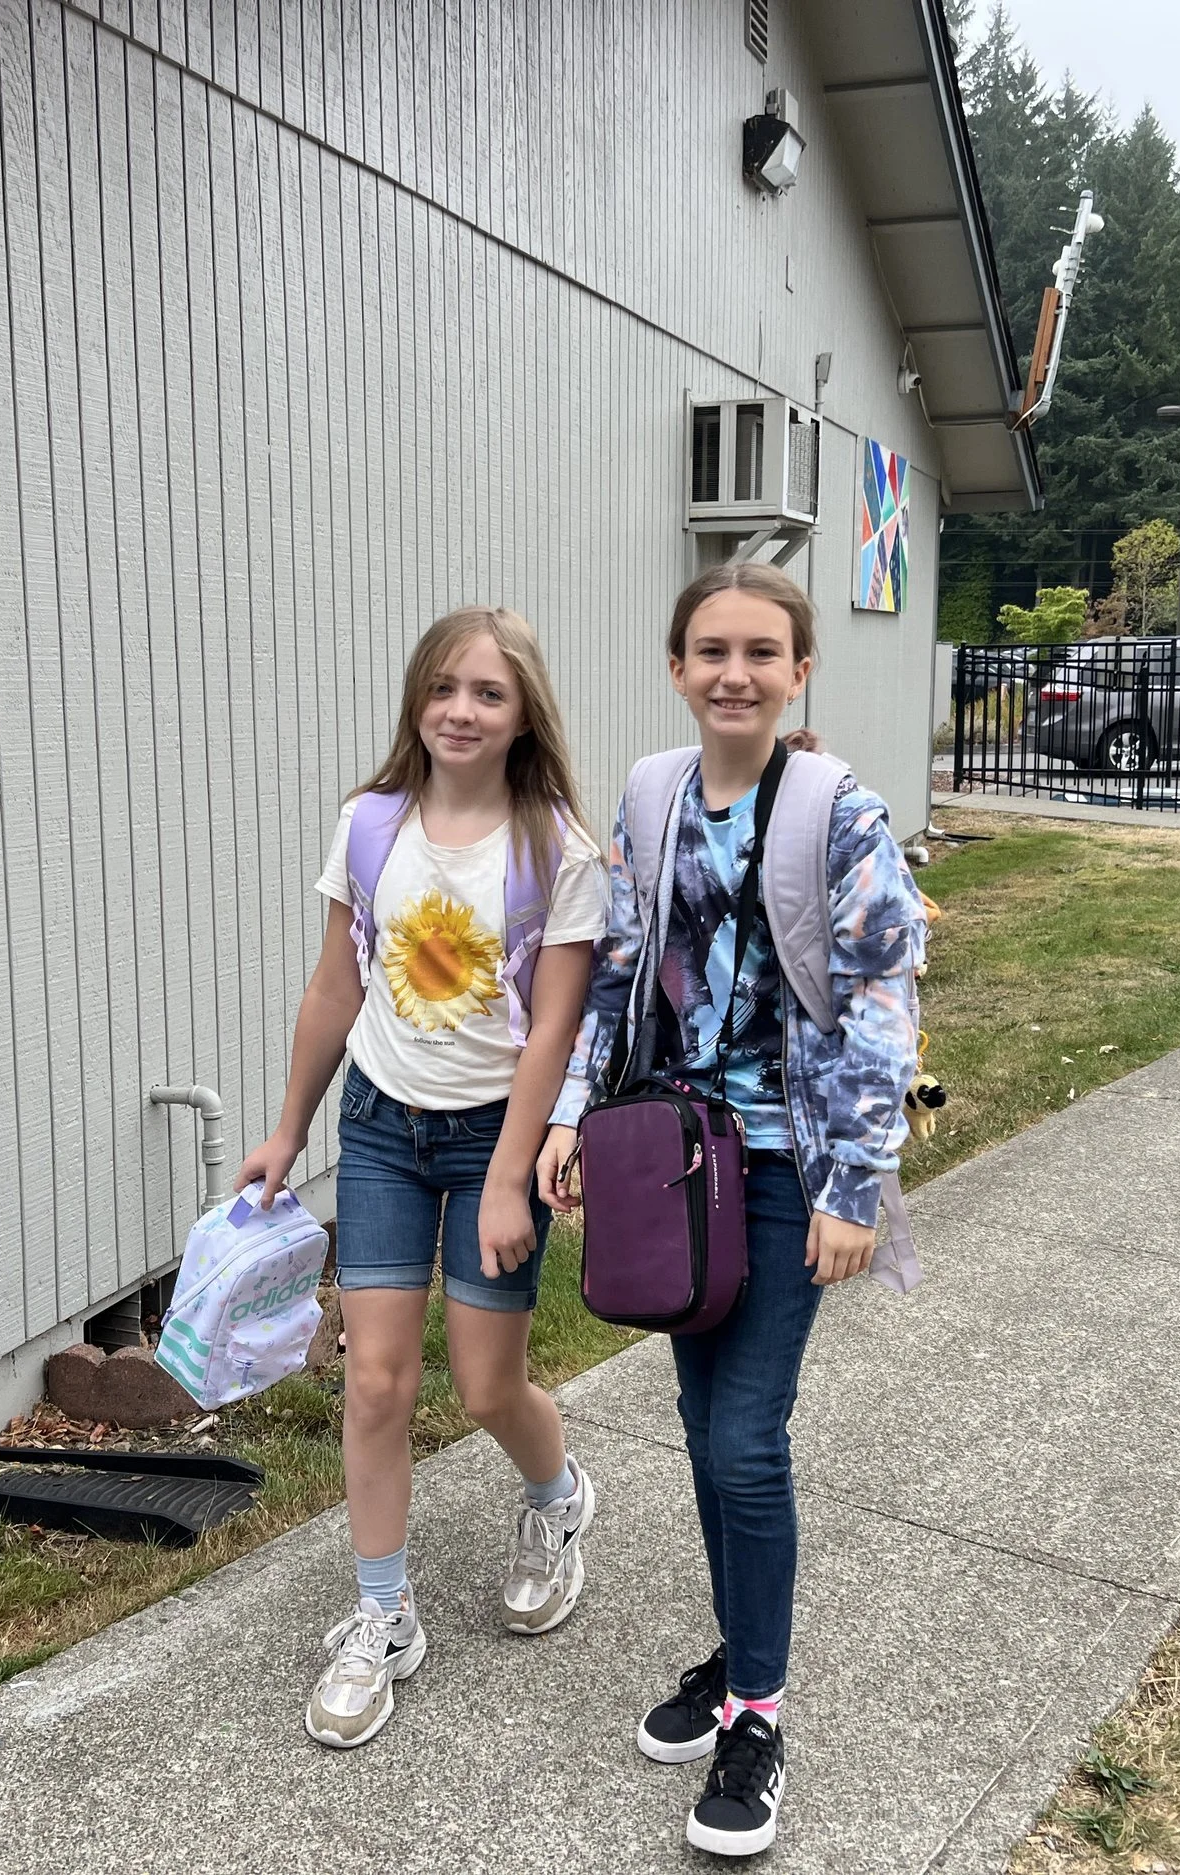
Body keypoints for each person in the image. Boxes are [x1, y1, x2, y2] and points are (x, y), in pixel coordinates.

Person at [535, 563, 926, 1858]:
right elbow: (619, 975)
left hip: (782, 1167)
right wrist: (576, 1119)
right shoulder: (651, 796)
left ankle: (757, 1710)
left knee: (747, 1439)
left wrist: (853, 1183)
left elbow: (881, 995)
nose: (735, 673)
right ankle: (736, 1649)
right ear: (676, 667)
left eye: (762, 651)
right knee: (706, 1431)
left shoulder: (839, 811)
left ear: (800, 670)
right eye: (712, 650)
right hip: (671, 1159)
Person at [235, 606, 607, 1751]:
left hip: (497, 1133)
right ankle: (383, 1616)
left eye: (488, 693)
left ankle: (557, 1499)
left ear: (523, 713)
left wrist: (507, 1178)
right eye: (443, 687)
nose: (461, 710)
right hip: (382, 1131)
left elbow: (552, 1033)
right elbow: (334, 989)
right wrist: (288, 1131)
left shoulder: (558, 852)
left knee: (487, 1387)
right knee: (377, 1384)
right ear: (417, 698)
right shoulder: (370, 825)